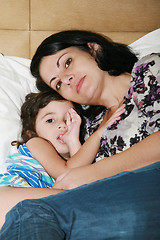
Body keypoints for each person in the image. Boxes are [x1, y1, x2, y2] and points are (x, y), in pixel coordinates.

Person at [0, 30, 160, 239]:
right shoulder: (89, 128)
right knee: (25, 214)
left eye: (67, 63)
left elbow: (79, 178)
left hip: (143, 194)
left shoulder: (148, 70)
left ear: (94, 49)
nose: (66, 80)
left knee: (29, 213)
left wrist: (94, 173)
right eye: (57, 84)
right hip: (105, 215)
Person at [0, 90, 125, 227]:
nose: (62, 125)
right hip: (10, 198)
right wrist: (100, 133)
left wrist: (73, 141)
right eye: (50, 120)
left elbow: (80, 176)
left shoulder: (71, 162)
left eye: (68, 119)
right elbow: (66, 173)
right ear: (32, 132)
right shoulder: (36, 142)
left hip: (33, 214)